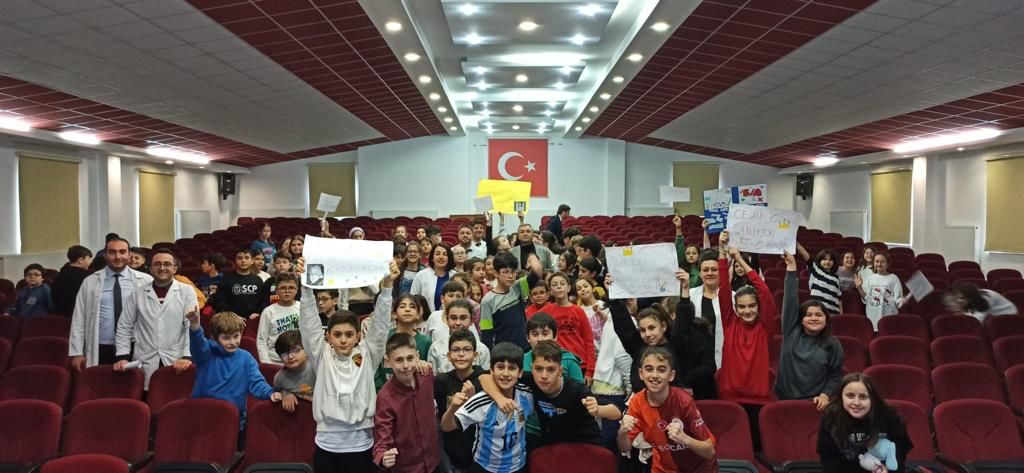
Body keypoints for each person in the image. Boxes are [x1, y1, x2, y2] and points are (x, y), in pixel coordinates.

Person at [297, 258, 398, 473]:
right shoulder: (321, 355)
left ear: (359, 336)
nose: (343, 340)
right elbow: (309, 324)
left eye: (349, 334)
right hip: (326, 443)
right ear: (328, 336)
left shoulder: (368, 354)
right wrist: (306, 288)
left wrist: (387, 287)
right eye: (337, 334)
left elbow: (380, 326)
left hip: (362, 443)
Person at [480, 339, 620, 449]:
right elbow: (484, 377)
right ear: (532, 369)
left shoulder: (576, 390)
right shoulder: (532, 380)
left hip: (586, 445)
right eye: (539, 369)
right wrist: (500, 399)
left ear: (560, 370)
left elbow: (617, 412)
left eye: (551, 369)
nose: (544, 376)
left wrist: (598, 409)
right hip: (553, 446)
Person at [617, 347, 718, 473]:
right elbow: (625, 448)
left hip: (698, 468)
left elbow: (710, 451)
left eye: (661, 370)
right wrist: (622, 432)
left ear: (671, 375)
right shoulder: (637, 402)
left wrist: (684, 439)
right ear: (641, 374)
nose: (655, 375)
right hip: (663, 469)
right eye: (649, 369)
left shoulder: (683, 401)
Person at [441, 342, 533, 473]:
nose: (506, 373)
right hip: (485, 467)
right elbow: (446, 427)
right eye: (500, 367)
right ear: (491, 371)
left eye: (512, 368)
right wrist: (452, 408)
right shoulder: (480, 402)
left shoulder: (527, 395)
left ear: (520, 373)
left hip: (518, 466)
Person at [113, 249, 196, 389]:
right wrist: (122, 356)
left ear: (175, 269)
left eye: (167, 264)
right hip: (145, 358)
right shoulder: (138, 293)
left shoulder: (187, 291)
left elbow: (190, 326)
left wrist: (187, 357)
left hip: (177, 358)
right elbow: (124, 326)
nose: (162, 268)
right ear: (150, 269)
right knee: (146, 395)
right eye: (157, 264)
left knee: (173, 396)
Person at [186, 309, 283, 428]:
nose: (233, 342)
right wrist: (195, 326)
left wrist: (270, 393)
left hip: (232, 419)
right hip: (202, 416)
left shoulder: (246, 358)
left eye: (236, 336)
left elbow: (256, 383)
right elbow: (198, 345)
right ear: (214, 338)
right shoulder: (207, 353)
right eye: (226, 338)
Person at [776, 251, 844, 412]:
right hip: (783, 401)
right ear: (801, 319)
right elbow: (790, 300)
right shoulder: (791, 332)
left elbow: (835, 375)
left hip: (816, 404)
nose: (814, 318)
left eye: (819, 315)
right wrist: (791, 268)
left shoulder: (833, 344)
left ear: (826, 319)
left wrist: (825, 395)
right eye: (808, 315)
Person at [70, 237, 154, 369]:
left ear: (129, 254)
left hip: (134, 344)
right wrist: (77, 352)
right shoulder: (90, 281)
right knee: (101, 381)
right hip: (102, 346)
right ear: (105, 255)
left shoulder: (145, 280)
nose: (118, 256)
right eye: (112, 252)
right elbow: (79, 318)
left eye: (122, 252)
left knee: (135, 381)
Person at [818, 373, 913, 473]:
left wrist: (889, 471)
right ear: (841, 397)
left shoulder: (890, 417)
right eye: (850, 396)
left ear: (872, 398)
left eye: (863, 397)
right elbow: (828, 458)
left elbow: (900, 450)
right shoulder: (831, 417)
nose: (856, 403)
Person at [373, 332, 440, 473]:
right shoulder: (385, 397)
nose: (406, 365)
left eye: (410, 358)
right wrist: (383, 457)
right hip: (406, 468)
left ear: (417, 356)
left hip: (433, 462)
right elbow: (382, 437)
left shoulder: (427, 374)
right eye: (399, 360)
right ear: (388, 361)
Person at [434, 329, 486, 473]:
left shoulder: (485, 379)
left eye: (467, 349)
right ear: (448, 356)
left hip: (478, 455)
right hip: (450, 453)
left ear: (475, 355)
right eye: (455, 350)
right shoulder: (442, 381)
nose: (461, 354)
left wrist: (473, 400)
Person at [479, 252, 543, 350]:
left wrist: (531, 256)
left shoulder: (518, 287)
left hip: (525, 348)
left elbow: (538, 271)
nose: (510, 276)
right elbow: (486, 333)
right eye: (506, 272)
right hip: (504, 351)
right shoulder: (487, 301)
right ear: (496, 273)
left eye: (513, 272)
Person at [542, 272, 596, 381]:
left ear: (569, 288)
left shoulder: (579, 311)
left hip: (580, 364)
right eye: (554, 284)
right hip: (557, 363)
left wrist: (590, 370)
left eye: (562, 283)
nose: (559, 287)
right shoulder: (545, 312)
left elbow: (588, 339)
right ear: (550, 291)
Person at [374, 294, 432, 390]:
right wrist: (381, 391)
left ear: (419, 314)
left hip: (414, 391)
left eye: (412, 306)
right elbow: (376, 367)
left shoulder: (425, 341)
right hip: (385, 391)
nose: (407, 309)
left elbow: (427, 373)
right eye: (402, 306)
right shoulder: (384, 337)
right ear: (394, 313)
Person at [690, 249, 726, 368]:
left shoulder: (732, 297)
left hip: (725, 358)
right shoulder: (690, 296)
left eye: (714, 269)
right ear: (700, 273)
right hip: (697, 360)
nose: (709, 273)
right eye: (705, 270)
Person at [256, 273, 301, 365]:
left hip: (298, 358)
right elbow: (261, 341)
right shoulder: (268, 312)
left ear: (297, 290)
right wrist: (266, 363)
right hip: (274, 360)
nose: (287, 291)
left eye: (291, 288)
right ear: (276, 290)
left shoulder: (303, 308)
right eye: (283, 288)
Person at [855, 251, 907, 330]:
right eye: (877, 261)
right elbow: (866, 298)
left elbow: (898, 300)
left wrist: (902, 301)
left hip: (889, 317)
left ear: (887, 264)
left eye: (882, 262)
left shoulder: (894, 278)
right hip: (872, 316)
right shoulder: (870, 278)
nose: (879, 264)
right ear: (873, 263)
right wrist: (859, 288)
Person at [213, 248, 264, 321]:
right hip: (231, 320)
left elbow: (262, 301)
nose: (243, 261)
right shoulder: (226, 279)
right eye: (240, 258)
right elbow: (220, 300)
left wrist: (258, 313)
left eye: (246, 258)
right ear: (235, 260)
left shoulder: (258, 280)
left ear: (252, 261)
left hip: (253, 319)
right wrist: (231, 315)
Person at [273, 330, 315, 412]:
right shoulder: (279, 379)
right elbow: (277, 392)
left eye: (295, 350)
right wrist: (284, 393)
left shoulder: (317, 367)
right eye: (284, 353)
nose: (290, 356)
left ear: (306, 350)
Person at [410, 243, 456, 313]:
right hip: (426, 318)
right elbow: (413, 299)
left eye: (445, 254)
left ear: (449, 258)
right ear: (432, 258)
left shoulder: (455, 276)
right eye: (437, 254)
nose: (441, 257)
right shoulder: (421, 275)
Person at [798, 243, 842, 314]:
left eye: (831, 260)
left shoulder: (836, 278)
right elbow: (805, 255)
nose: (827, 262)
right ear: (819, 260)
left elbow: (839, 298)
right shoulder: (816, 270)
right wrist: (797, 244)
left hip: (834, 313)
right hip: (818, 311)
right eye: (824, 259)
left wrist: (841, 314)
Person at [946, 281, 1019, 322]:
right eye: (957, 298)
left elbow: (978, 320)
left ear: (970, 298)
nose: (958, 301)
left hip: (1008, 313)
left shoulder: (985, 298)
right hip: (993, 313)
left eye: (962, 298)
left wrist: (962, 313)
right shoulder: (974, 298)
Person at [51, 245, 93, 317]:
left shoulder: (60, 274)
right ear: (80, 260)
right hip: (78, 315)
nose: (90, 262)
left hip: (60, 315)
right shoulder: (86, 277)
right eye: (88, 259)